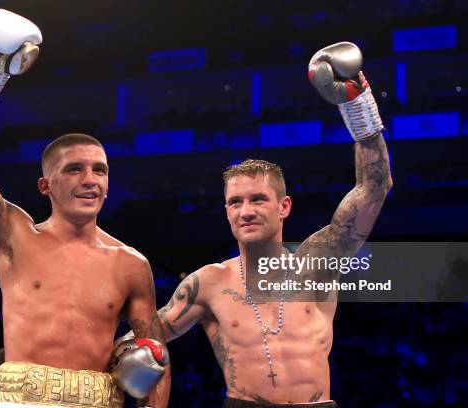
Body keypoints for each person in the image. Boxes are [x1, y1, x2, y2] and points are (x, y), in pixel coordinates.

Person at [0, 9, 169, 408]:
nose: (90, 179)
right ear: (46, 185)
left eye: (100, 170)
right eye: (75, 169)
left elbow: (155, 356)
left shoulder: (131, 264)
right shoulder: (14, 235)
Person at [154, 42, 393, 407]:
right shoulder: (207, 283)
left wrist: (358, 106)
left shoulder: (318, 262)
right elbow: (144, 338)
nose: (245, 211)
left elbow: (374, 186)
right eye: (235, 202)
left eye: (257, 199)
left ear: (284, 206)